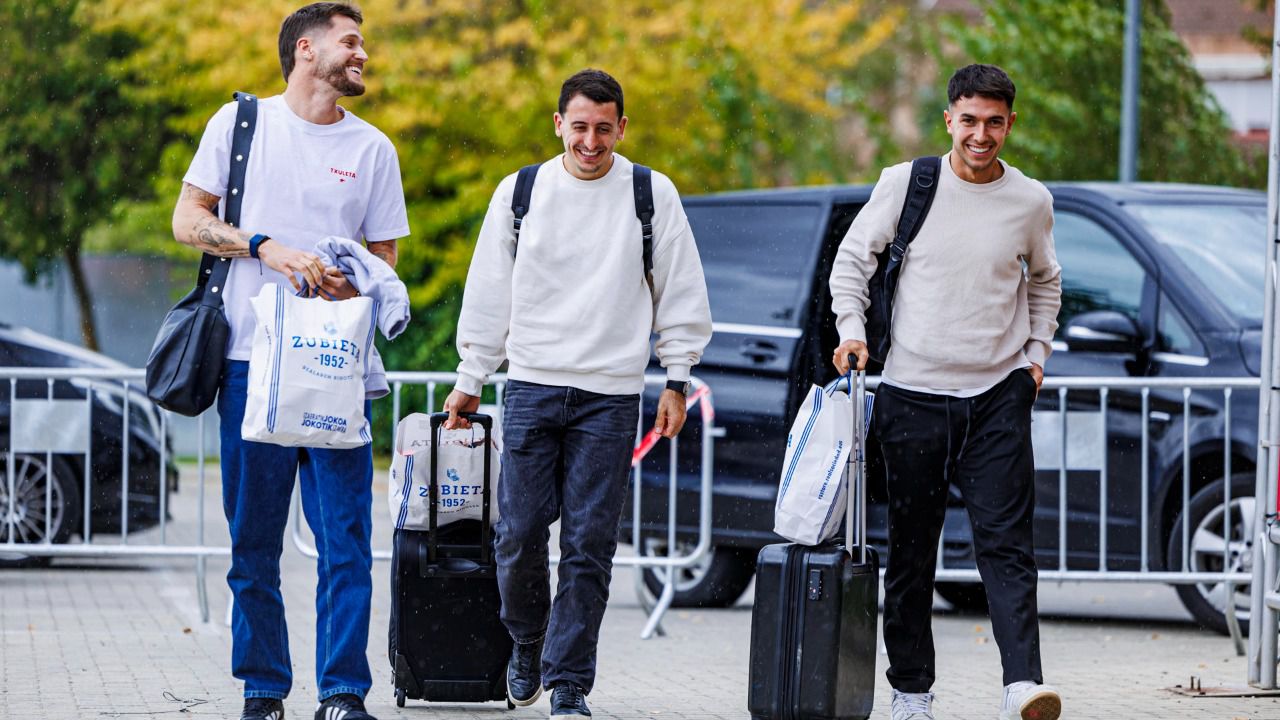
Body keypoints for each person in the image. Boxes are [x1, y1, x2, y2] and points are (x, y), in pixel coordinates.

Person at [443, 69, 712, 720]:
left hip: (609, 395)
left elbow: (680, 291)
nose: (591, 142)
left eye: (604, 128)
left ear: (622, 127)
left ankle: (569, 683)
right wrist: (470, 377)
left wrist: (676, 379)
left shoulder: (650, 193)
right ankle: (527, 642)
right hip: (532, 385)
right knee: (518, 536)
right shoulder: (522, 191)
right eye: (580, 127)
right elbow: (489, 290)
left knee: (589, 546)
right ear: (558, 124)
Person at [171, 3, 408, 720]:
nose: (362, 52)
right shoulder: (240, 124)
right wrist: (263, 246)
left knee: (346, 543)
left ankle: (342, 693)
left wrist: (349, 282)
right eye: (350, 40)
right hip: (249, 364)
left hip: (336, 367)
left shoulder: (373, 149)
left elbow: (385, 259)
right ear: (306, 49)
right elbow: (187, 220)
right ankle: (263, 692)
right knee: (253, 544)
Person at [829, 64, 1063, 720]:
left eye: (994, 122)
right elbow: (852, 260)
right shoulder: (906, 184)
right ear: (949, 120)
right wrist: (852, 330)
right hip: (912, 396)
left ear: (1010, 124)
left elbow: (1046, 281)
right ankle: (911, 693)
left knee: (1008, 548)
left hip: (996, 397)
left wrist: (1035, 358)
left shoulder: (1030, 201)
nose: (980, 134)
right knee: (912, 552)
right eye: (969, 121)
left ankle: (1022, 685)